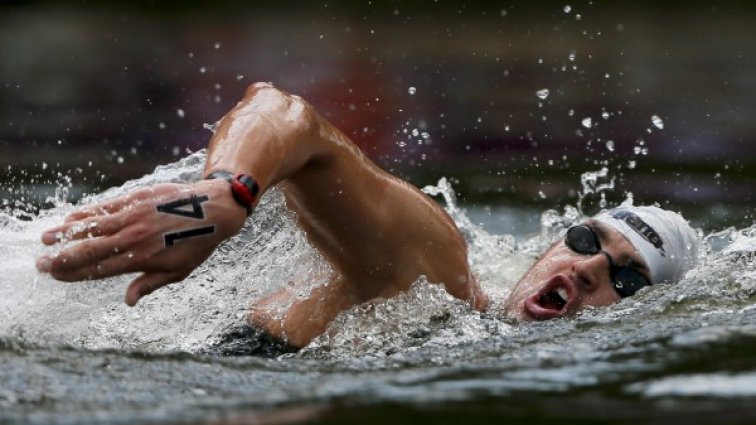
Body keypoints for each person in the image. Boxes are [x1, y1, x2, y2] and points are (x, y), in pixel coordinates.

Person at [35, 83, 699, 349]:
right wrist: (222, 197)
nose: (585, 267)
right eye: (586, 240)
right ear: (553, 240)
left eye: (626, 278)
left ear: (639, 315)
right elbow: (286, 115)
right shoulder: (441, 268)